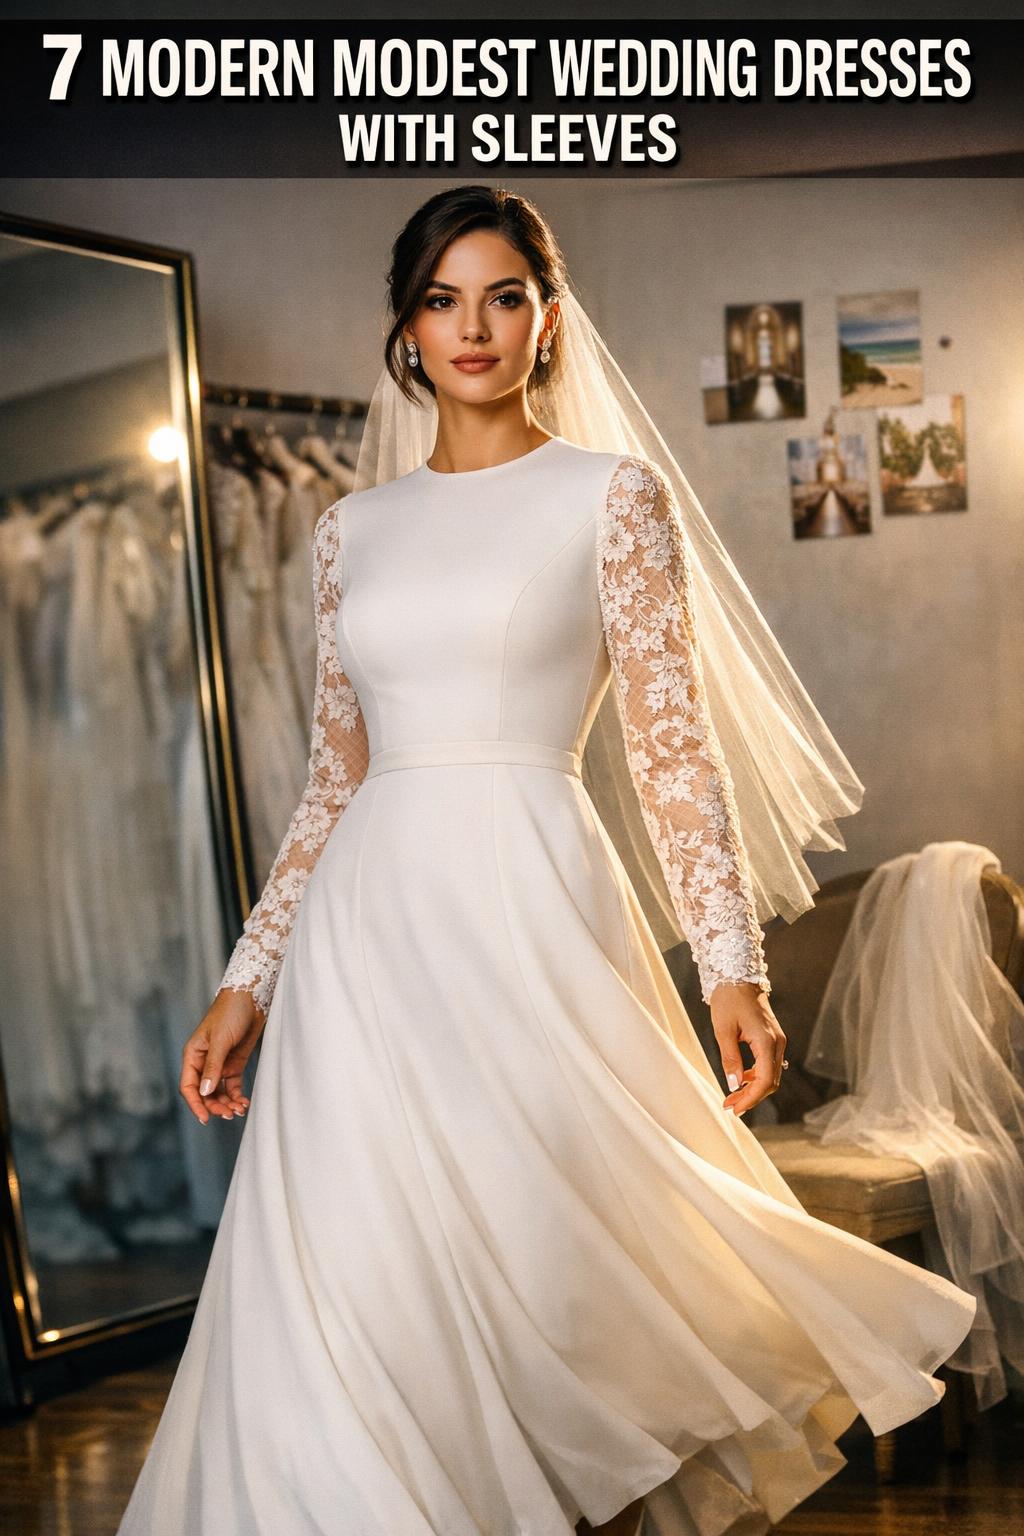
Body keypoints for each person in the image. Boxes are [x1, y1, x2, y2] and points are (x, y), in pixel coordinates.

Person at [117, 186, 976, 1536]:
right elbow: (330, 783)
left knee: (550, 1280)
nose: (474, 325)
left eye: (504, 294)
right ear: (406, 328)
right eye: (443, 298)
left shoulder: (612, 499)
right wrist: (250, 978)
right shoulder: (350, 534)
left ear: (547, 318)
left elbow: (673, 757)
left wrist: (732, 973)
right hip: (363, 945)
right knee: (364, 1278)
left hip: (530, 913)